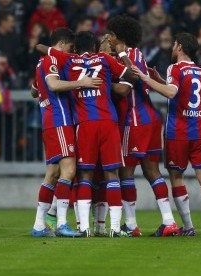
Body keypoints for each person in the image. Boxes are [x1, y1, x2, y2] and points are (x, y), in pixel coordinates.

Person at [37, 31, 137, 237]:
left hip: (85, 124)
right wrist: (119, 59)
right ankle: (115, 228)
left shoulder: (67, 59)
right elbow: (131, 75)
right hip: (109, 122)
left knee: (83, 175)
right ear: (94, 47)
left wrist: (48, 49)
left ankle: (84, 227)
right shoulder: (105, 59)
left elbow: (43, 49)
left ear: (75, 47)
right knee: (111, 174)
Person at [133, 32, 201, 238]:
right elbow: (181, 92)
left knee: (177, 177)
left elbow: (172, 93)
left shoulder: (175, 67)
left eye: (174, 44)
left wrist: (146, 78)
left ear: (180, 47)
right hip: (200, 131)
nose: (173, 47)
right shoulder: (200, 72)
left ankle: (189, 226)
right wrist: (159, 80)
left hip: (178, 132)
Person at [107, 15, 178, 237]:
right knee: (152, 171)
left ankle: (130, 224)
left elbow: (128, 86)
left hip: (134, 120)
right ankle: (168, 221)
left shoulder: (124, 57)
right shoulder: (138, 54)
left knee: (125, 171)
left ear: (118, 37)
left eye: (110, 34)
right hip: (151, 119)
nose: (107, 38)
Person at [30, 27, 101, 238]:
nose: (72, 53)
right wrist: (81, 82)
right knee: (69, 170)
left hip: (49, 120)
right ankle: (61, 223)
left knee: (52, 174)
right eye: (70, 48)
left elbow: (34, 90)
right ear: (61, 44)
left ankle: (39, 225)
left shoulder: (41, 63)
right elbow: (52, 84)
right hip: (59, 119)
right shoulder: (51, 61)